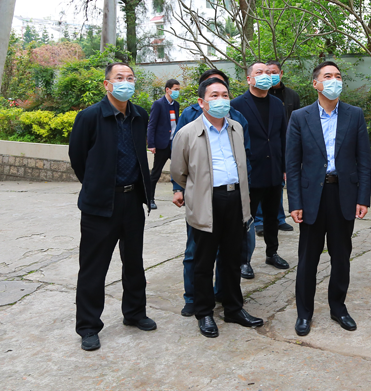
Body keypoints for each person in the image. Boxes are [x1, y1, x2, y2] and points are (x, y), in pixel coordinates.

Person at [69, 62, 156, 352]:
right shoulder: (89, 116)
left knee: (134, 262)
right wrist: (98, 186)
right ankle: (88, 326)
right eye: (119, 77)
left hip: (132, 200)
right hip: (100, 205)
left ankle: (135, 313)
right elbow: (78, 158)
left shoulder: (139, 115)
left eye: (130, 77)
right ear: (107, 84)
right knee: (93, 268)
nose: (126, 82)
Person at [171, 77, 263, 338]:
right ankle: (204, 312)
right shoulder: (187, 133)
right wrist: (195, 191)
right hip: (206, 201)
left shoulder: (237, 128)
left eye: (224, 95)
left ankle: (234, 308)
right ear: (201, 102)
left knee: (233, 258)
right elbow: (178, 171)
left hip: (235, 199)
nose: (221, 100)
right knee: (204, 260)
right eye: (214, 95)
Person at [287, 61, 371, 336]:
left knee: (341, 256)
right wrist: (295, 202)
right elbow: (292, 164)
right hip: (312, 196)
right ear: (316, 84)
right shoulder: (300, 117)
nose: (334, 80)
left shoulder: (354, 115)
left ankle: (338, 307)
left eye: (338, 76)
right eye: (328, 76)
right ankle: (304, 313)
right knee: (308, 258)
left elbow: (363, 160)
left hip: (343, 194)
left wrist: (363, 197)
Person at [231, 62, 289, 274]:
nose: (265, 75)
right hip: (250, 171)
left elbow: (283, 136)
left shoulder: (277, 104)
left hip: (274, 169)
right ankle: (243, 260)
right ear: (249, 79)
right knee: (246, 218)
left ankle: (272, 253)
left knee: (272, 216)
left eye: (268, 72)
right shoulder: (236, 105)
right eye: (259, 72)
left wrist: (285, 167)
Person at [253, 60, 301, 236]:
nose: (269, 76)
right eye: (265, 72)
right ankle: (259, 221)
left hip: (282, 145)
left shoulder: (291, 96)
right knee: (259, 187)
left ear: (281, 74)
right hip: (260, 150)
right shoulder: (253, 99)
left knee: (278, 186)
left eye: (272, 72)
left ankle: (279, 219)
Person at [147, 78, 181, 209]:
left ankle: (181, 195)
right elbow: (152, 125)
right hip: (162, 145)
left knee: (181, 169)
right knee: (156, 173)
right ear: (168, 89)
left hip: (174, 144)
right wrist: (151, 144)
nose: (177, 92)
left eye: (178, 89)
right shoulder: (158, 104)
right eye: (175, 89)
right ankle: (150, 199)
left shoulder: (176, 105)